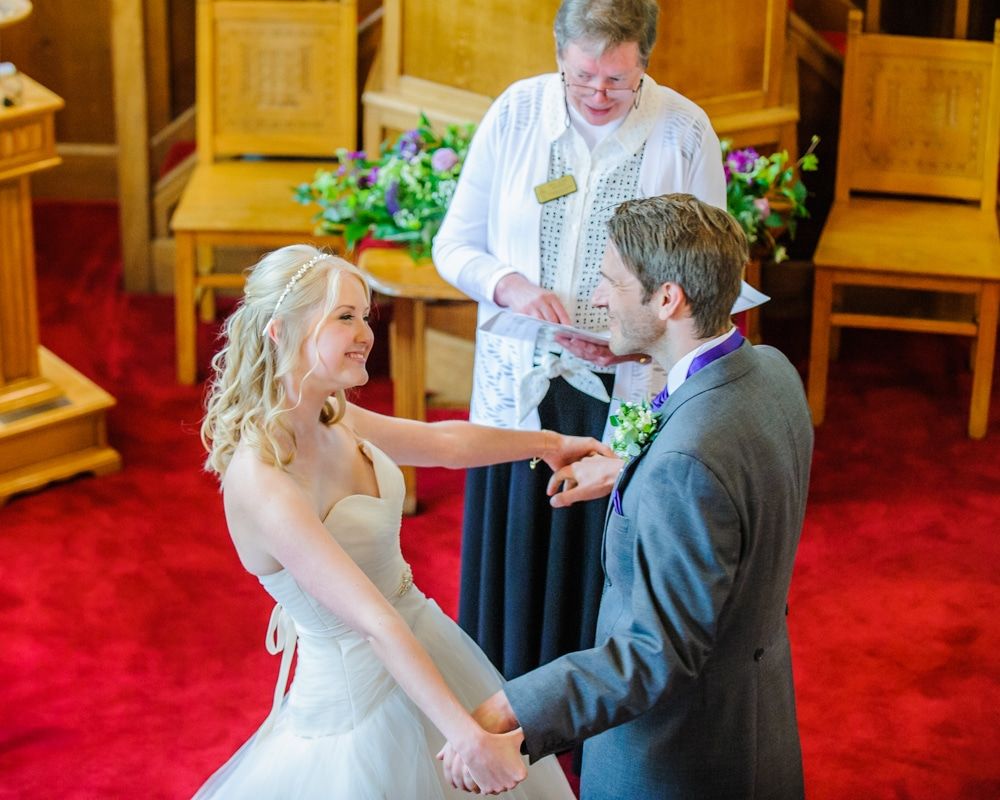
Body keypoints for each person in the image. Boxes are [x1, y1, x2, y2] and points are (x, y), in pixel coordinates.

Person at [440, 194, 814, 798]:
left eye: (612, 281)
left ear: (667, 299)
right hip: (755, 716)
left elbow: (656, 652)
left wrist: (515, 707)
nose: (596, 298)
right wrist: (630, 470)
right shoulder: (769, 370)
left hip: (677, 754)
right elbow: (733, 491)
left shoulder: (687, 461)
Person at [193, 245, 595, 799]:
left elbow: (443, 443)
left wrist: (551, 442)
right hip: (360, 700)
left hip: (422, 642)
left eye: (365, 316)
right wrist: (467, 736)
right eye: (344, 317)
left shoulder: (333, 415)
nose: (365, 332)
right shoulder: (263, 481)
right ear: (280, 329)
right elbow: (373, 621)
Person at [432, 0, 735, 683]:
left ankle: (582, 726)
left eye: (617, 81)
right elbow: (453, 245)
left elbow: (711, 279)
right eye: (582, 78)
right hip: (522, 383)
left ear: (644, 64)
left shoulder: (682, 132)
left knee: (596, 565)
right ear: (559, 55)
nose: (598, 95)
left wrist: (640, 342)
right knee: (513, 562)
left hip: (625, 387)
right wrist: (507, 285)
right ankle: (504, 709)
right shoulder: (516, 113)